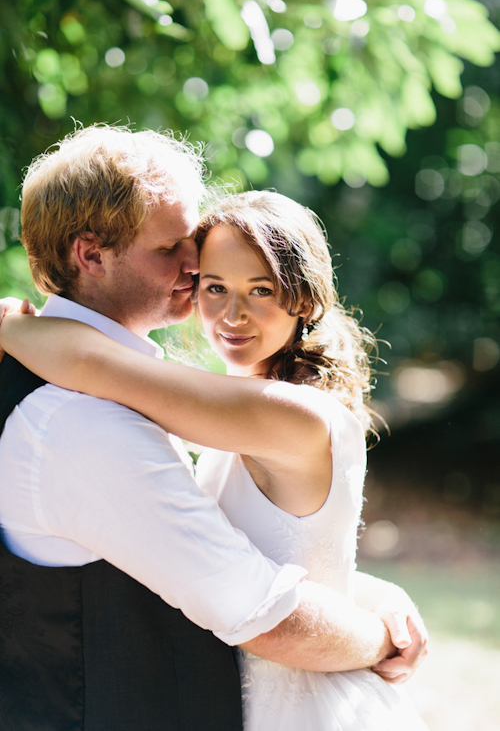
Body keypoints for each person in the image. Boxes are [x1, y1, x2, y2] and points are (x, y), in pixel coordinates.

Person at [0, 150, 428, 729]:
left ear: (301, 299)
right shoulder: (86, 419)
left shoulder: (275, 411)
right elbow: (255, 586)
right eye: (173, 250)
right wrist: (378, 624)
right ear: (91, 254)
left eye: (260, 289)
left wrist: (19, 327)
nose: (191, 264)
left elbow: (101, 366)